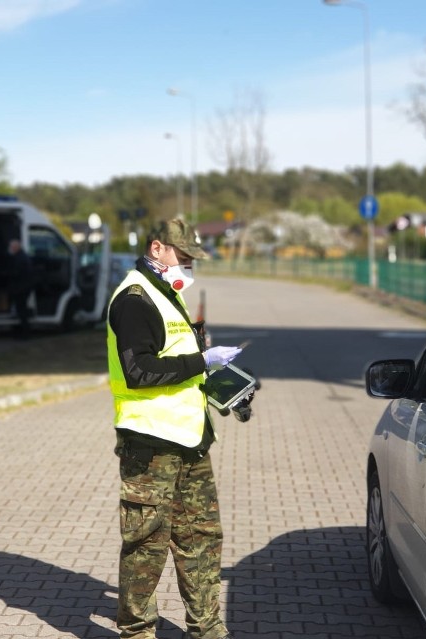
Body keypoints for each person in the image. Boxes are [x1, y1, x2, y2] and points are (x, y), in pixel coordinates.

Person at [106, 219, 243, 639]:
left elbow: (182, 362)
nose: (187, 266)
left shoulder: (167, 294)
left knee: (202, 537)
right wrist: (203, 361)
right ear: (157, 248)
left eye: (191, 260)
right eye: (182, 258)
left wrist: (227, 387)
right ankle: (136, 632)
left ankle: (207, 628)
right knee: (146, 544)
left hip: (191, 441)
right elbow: (139, 371)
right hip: (151, 445)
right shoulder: (134, 299)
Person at [6, 238, 33, 337]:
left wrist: (7, 274)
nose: (10, 249)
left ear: (16, 247)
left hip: (21, 289)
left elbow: (16, 273)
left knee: (22, 311)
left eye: (12, 247)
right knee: (21, 310)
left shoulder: (20, 258)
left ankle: (25, 333)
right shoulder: (22, 256)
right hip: (22, 288)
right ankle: (22, 331)